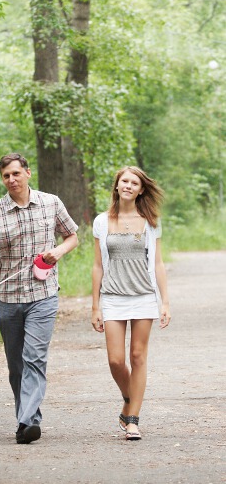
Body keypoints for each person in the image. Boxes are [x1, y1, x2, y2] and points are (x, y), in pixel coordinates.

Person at [0, 153, 79, 444]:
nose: (12, 180)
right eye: (6, 176)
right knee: (16, 366)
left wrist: (57, 252)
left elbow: (72, 236)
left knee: (34, 357)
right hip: (8, 300)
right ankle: (29, 419)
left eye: (16, 173)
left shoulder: (51, 203)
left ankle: (27, 421)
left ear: (28, 173)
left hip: (43, 296)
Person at [91, 166, 171, 441]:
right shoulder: (102, 221)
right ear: (116, 186)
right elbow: (97, 266)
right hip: (113, 297)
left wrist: (165, 302)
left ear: (140, 190)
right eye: (124, 181)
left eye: (134, 183)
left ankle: (133, 419)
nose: (128, 185)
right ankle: (130, 398)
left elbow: (158, 264)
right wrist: (95, 306)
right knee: (115, 360)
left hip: (143, 296)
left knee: (138, 356)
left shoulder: (150, 221)